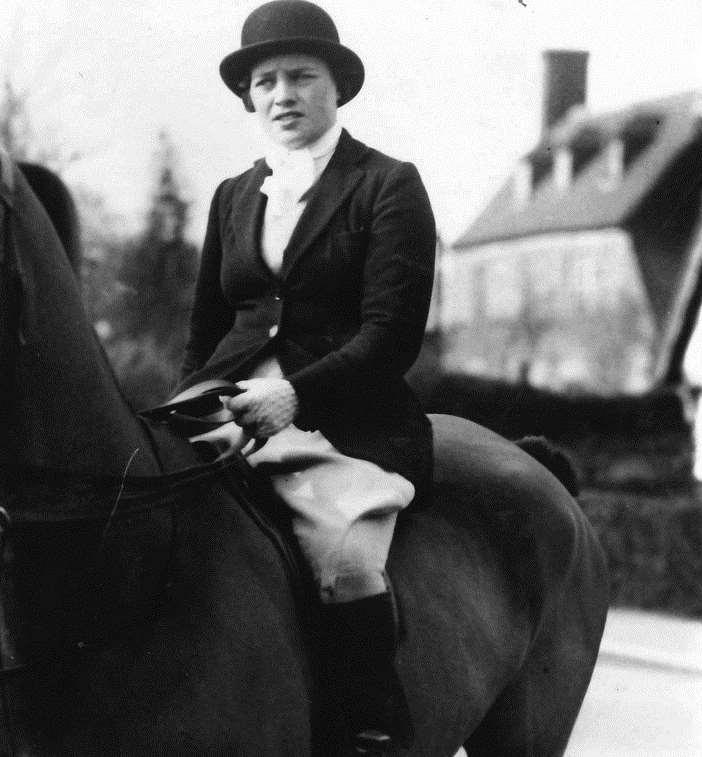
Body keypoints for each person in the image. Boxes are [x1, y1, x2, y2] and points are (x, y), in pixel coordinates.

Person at [177, 0, 436, 750]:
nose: (282, 94)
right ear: (249, 98)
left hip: (344, 425)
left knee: (346, 564)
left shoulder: (387, 184)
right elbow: (204, 331)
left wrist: (295, 395)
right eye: (264, 81)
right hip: (229, 413)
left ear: (337, 87)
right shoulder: (233, 195)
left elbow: (391, 335)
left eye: (301, 76)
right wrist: (191, 406)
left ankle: (369, 725)